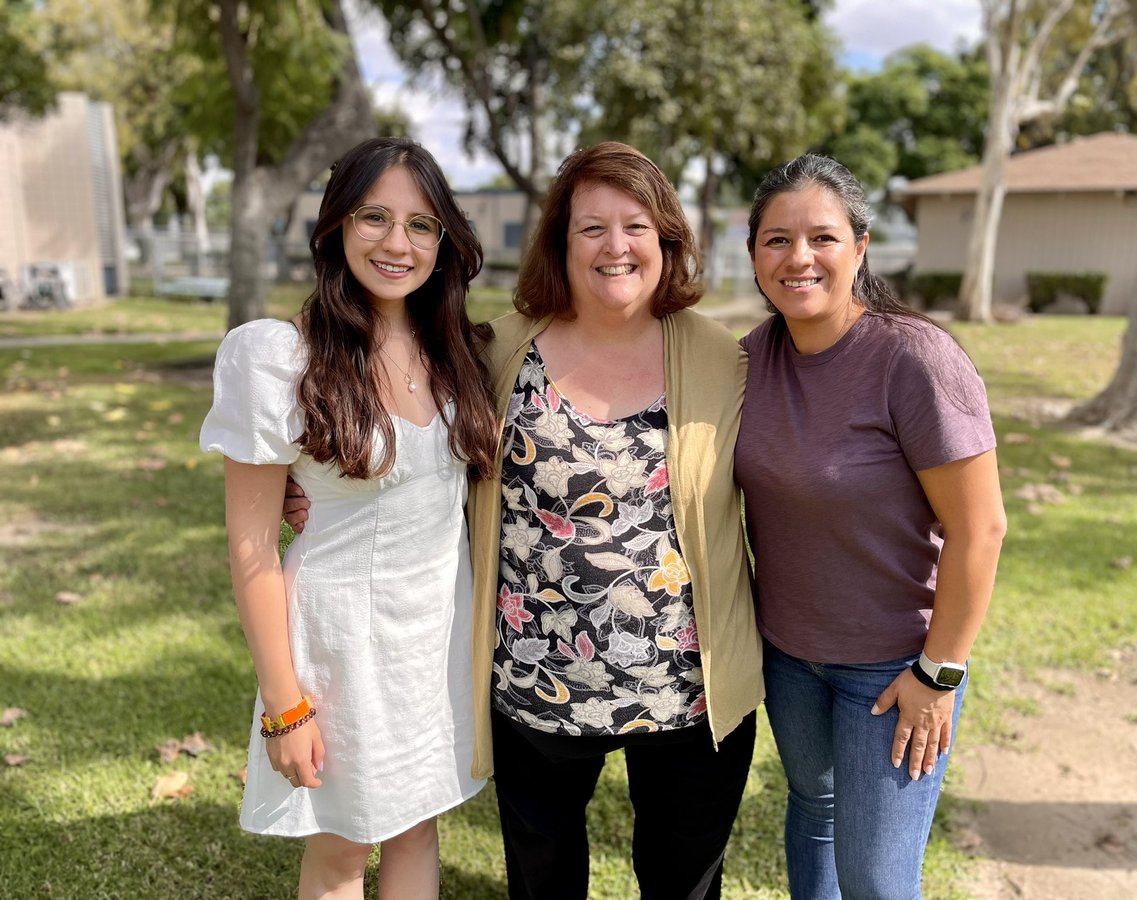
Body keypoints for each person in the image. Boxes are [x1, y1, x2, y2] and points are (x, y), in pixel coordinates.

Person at [287, 141, 762, 899]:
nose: (615, 246)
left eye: (637, 227)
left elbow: (797, 462)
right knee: (543, 884)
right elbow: (411, 431)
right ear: (560, 244)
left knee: (685, 886)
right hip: (535, 685)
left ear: (668, 241)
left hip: (687, 693)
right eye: (591, 228)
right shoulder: (498, 349)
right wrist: (303, 478)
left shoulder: (726, 358)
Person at [199, 136, 498, 900]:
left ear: (444, 241)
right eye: (375, 217)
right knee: (342, 848)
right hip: (340, 646)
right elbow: (251, 550)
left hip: (434, 643)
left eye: (421, 224)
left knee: (417, 826)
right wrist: (285, 705)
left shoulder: (456, 352)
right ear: (334, 225)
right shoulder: (280, 359)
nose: (398, 243)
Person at [735, 154, 1007, 899]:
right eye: (777, 240)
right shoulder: (751, 359)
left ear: (859, 248)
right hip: (788, 657)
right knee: (814, 812)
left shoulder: (914, 359)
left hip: (894, 670)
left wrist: (938, 674)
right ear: (754, 255)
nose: (799, 258)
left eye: (822, 238)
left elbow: (981, 529)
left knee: (877, 882)